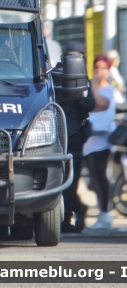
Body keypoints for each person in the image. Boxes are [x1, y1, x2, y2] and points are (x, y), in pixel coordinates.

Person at [56, 41, 95, 233]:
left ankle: (68, 216)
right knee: (64, 179)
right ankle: (68, 215)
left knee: (70, 179)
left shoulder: (81, 78)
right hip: (60, 135)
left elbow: (90, 103)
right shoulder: (53, 75)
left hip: (71, 135)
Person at [83, 54, 116, 229]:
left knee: (102, 176)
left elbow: (99, 104)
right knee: (93, 177)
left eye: (103, 68)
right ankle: (102, 211)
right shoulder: (92, 88)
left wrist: (93, 85)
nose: (99, 71)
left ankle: (106, 213)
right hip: (89, 139)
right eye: (97, 68)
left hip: (103, 139)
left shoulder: (108, 90)